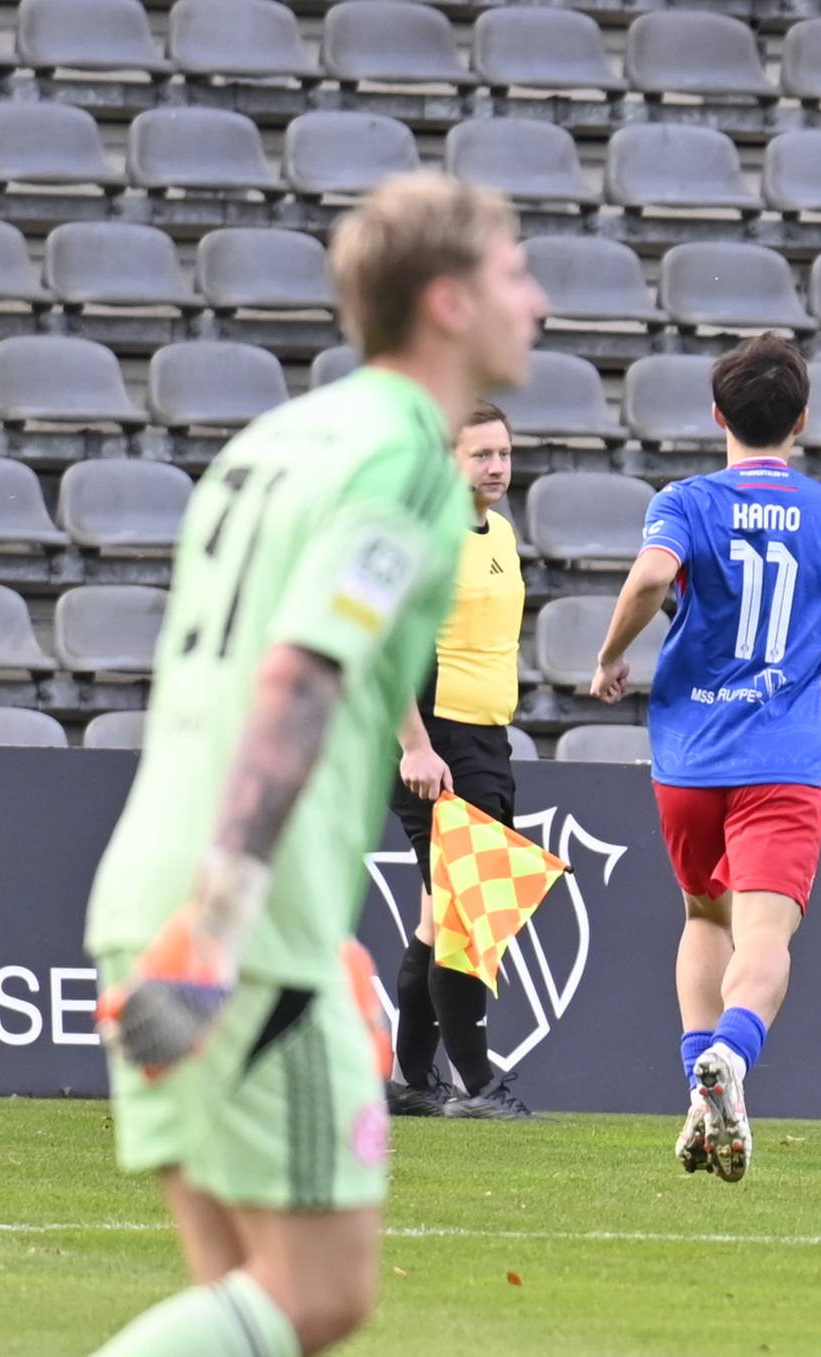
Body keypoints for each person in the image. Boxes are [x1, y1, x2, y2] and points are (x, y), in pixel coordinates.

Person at [82, 172, 548, 1357]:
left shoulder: (277, 441)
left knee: (245, 1300)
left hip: (150, 887)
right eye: (513, 272)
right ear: (447, 302)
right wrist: (227, 917)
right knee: (320, 1294)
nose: (537, 301)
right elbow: (304, 673)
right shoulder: (406, 464)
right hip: (236, 917)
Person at [588, 335, 821, 1183]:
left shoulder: (686, 501)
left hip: (688, 756)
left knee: (703, 919)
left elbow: (650, 579)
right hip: (780, 758)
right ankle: (730, 1056)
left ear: (718, 416)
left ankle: (698, 1087)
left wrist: (612, 653)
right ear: (800, 421)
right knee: (765, 936)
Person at [386, 399, 530, 1121]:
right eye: (481, 454)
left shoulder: (497, 530)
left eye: (503, 452)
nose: (497, 465)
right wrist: (415, 743)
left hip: (485, 738)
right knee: (469, 913)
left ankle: (412, 1078)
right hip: (435, 739)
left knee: (436, 916)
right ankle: (476, 1085)